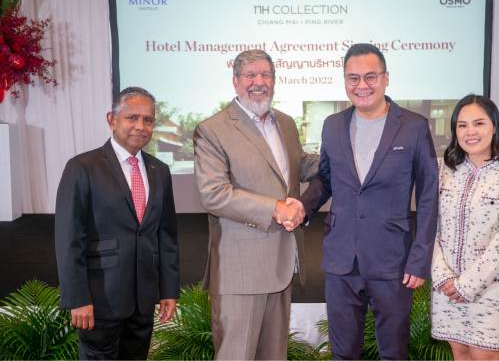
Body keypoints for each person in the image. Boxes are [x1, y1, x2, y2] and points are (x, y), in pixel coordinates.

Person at [300, 43, 439, 359]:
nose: (361, 85)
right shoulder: (332, 126)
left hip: (393, 260)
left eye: (370, 77)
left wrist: (420, 258)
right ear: (345, 81)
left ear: (386, 78)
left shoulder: (414, 126)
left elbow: (429, 195)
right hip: (341, 260)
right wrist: (303, 206)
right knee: (343, 354)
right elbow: (326, 179)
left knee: (393, 353)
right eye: (353, 78)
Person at [193, 49, 319, 360]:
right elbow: (214, 193)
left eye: (266, 75)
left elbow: (300, 165)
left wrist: (346, 152)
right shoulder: (213, 129)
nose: (259, 82)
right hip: (240, 272)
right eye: (250, 75)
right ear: (235, 81)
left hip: (282, 264)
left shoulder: (285, 123)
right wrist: (276, 208)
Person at [55, 87, 180, 360]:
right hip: (99, 301)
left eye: (148, 120)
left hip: (143, 301)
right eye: (132, 117)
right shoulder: (82, 167)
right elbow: (69, 240)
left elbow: (166, 236)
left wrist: (168, 290)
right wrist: (78, 298)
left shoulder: (160, 171)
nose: (140, 126)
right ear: (112, 120)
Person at [431, 94, 499, 360]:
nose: (470, 132)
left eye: (479, 123)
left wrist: (469, 284)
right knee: (460, 353)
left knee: (484, 356)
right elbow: (431, 226)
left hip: (490, 286)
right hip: (448, 285)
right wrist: (442, 276)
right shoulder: (443, 170)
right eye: (462, 125)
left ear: (494, 126)